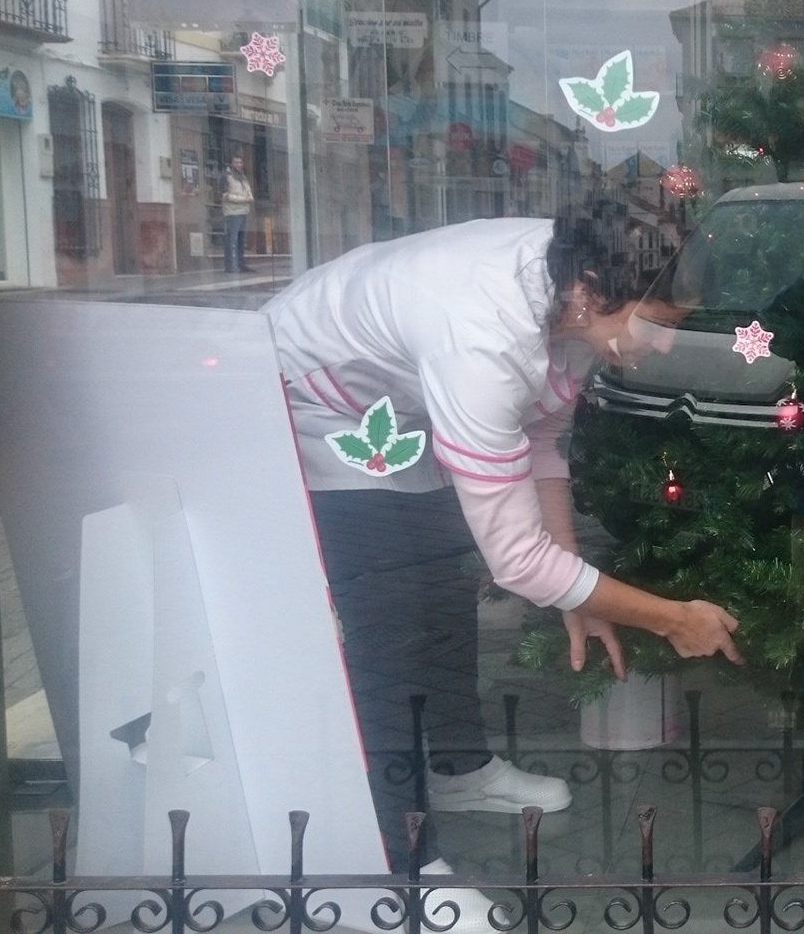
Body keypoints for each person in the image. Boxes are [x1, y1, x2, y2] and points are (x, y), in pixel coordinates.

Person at [260, 202, 741, 900]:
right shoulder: (481, 337)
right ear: (593, 291)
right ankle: (399, 864)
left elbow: (540, 440)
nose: (664, 347)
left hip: (404, 402)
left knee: (444, 586)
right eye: (657, 324)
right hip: (315, 404)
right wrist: (671, 618)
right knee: (390, 615)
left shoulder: (577, 300)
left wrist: (580, 591)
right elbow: (517, 562)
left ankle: (460, 772)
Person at [220, 154, 254, 274]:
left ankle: (241, 264)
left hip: (244, 212)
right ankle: (230, 266)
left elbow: (248, 191)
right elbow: (225, 196)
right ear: (231, 163)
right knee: (231, 240)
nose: (238, 165)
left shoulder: (243, 176)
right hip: (232, 213)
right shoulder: (226, 176)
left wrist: (250, 197)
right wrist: (245, 199)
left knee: (240, 240)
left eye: (240, 162)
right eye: (236, 162)